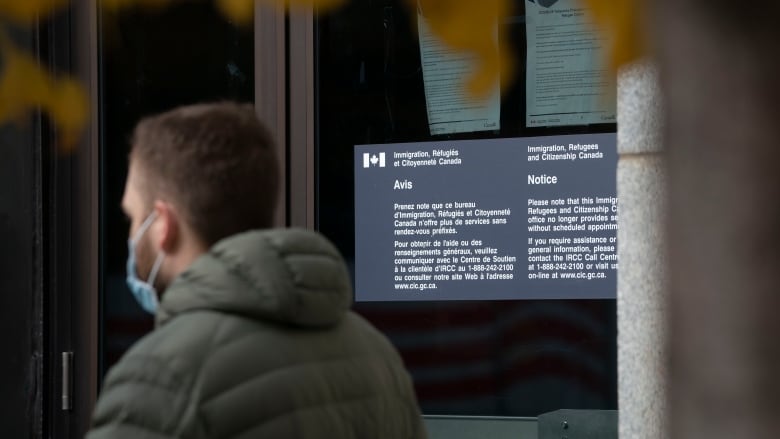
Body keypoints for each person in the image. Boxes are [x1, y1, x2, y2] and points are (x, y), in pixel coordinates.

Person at [87, 102, 427, 438]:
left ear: (162, 224)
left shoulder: (161, 379)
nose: (132, 236)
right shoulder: (377, 356)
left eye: (132, 217)